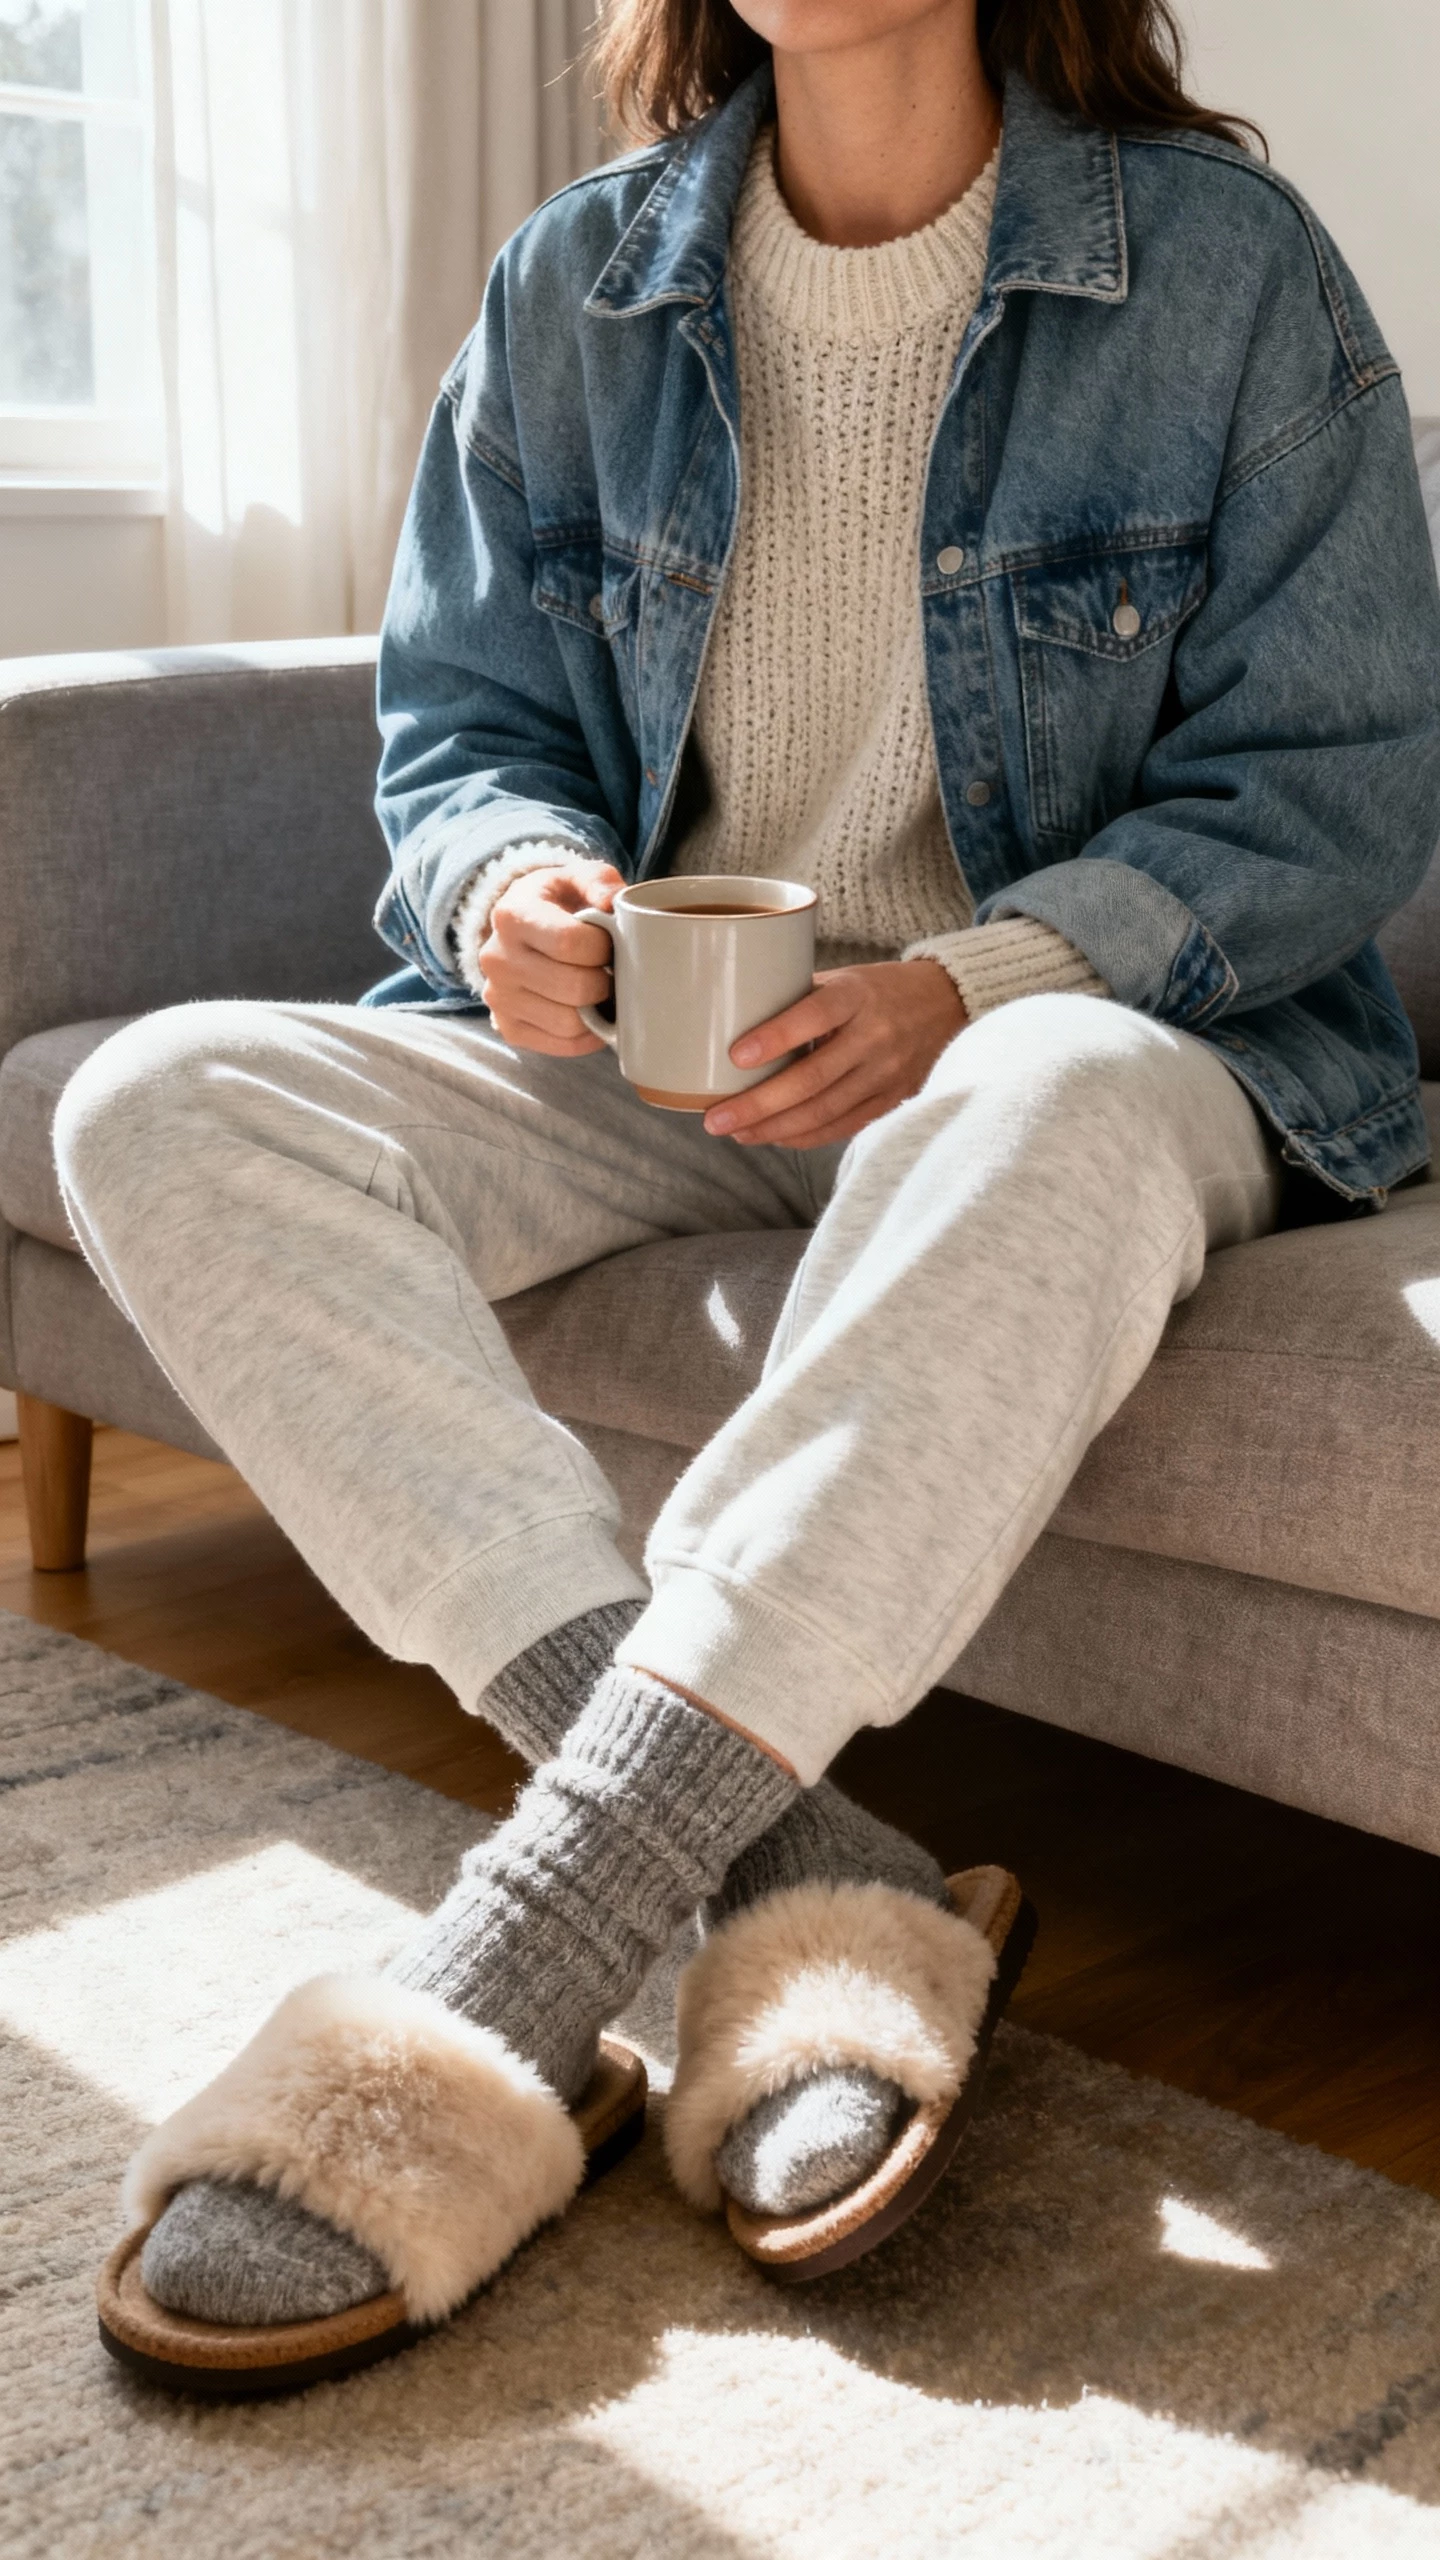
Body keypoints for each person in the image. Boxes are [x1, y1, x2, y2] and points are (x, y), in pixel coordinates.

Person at [64, 0, 1440, 2389]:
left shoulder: (1230, 276)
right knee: (156, 1100)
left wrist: (986, 980)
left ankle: (516, 1952)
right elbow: (462, 724)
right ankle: (798, 1863)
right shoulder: (574, 285)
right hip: (690, 1076)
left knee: (1042, 1092)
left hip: (1097, 1059)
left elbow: (1325, 797)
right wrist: (511, 886)